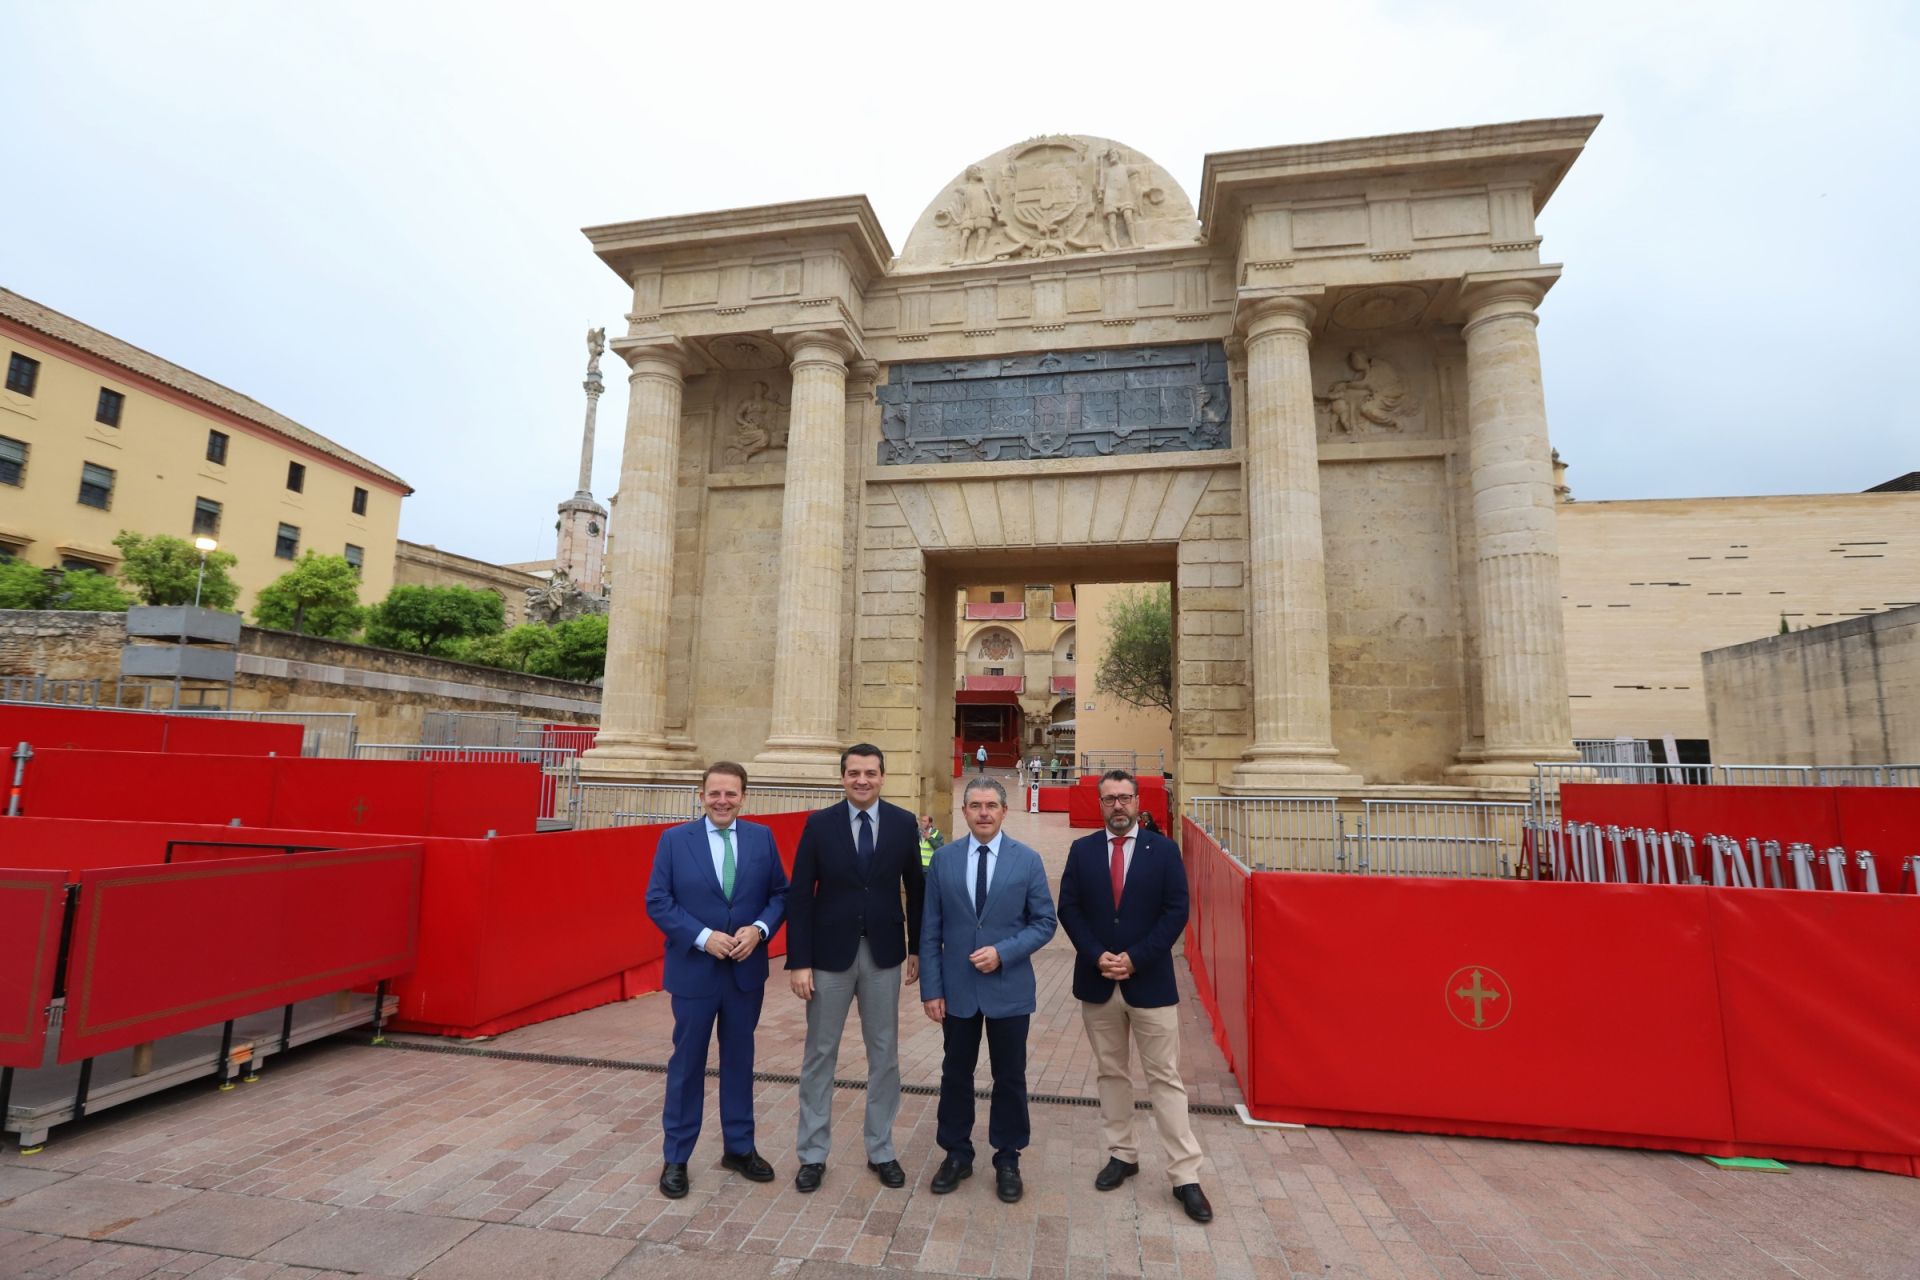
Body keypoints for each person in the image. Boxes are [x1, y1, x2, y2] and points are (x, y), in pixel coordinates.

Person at [1057, 770, 1213, 1223]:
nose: (1118, 806)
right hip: (1098, 980)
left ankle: (1185, 1175)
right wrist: (1097, 954)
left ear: (1138, 801)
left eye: (1125, 798)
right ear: (1100, 803)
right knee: (1111, 1073)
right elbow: (1070, 908)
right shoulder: (1082, 851)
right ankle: (1122, 1154)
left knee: (1164, 1077)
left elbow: (1176, 911)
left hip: (1149, 983)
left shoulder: (1163, 852)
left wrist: (1135, 958)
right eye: (1110, 799)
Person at [644, 762, 789, 1199]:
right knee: (687, 1063)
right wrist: (703, 938)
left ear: (743, 796)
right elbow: (658, 900)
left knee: (740, 1060)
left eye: (731, 794)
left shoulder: (761, 838)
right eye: (714, 793)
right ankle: (676, 1157)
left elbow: (780, 895)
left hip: (745, 973)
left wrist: (759, 930)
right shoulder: (674, 841)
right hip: (695, 970)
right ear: (701, 795)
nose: (722, 801)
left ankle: (739, 1148)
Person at [786, 744, 927, 1193]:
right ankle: (812, 1153)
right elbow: (800, 894)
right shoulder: (819, 824)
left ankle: (881, 1149)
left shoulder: (904, 824)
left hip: (884, 954)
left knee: (884, 1054)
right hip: (828, 956)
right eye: (853, 773)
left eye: (870, 772)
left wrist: (917, 949)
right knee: (819, 1054)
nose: (861, 780)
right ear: (842, 777)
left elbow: (916, 889)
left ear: (883, 776)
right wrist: (799, 961)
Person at [920, 776, 1057, 1203]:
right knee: (955, 1073)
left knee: (1010, 1076)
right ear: (964, 812)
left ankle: (1008, 1156)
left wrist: (1004, 951)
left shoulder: (1028, 860)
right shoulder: (944, 860)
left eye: (990, 806)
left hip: (1008, 987)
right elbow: (931, 929)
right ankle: (956, 1153)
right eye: (975, 805)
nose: (983, 812)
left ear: (1003, 811)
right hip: (957, 990)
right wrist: (931, 988)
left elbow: (1044, 922)